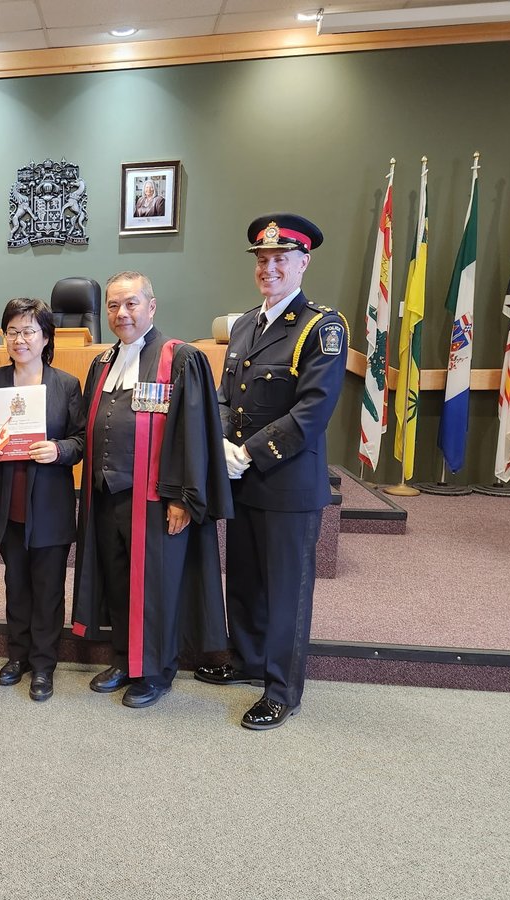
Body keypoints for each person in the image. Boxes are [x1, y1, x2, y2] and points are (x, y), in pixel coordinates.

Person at [195, 214, 348, 730]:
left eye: (281, 259)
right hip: (240, 479)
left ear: (303, 263)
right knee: (243, 579)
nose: (270, 268)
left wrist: (250, 452)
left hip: (285, 480)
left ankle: (282, 688)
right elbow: (223, 395)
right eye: (263, 260)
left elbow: (313, 409)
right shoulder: (243, 324)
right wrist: (220, 444)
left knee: (285, 589)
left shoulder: (322, 326)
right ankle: (247, 658)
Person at [71, 271, 232, 709]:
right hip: (108, 494)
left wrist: (182, 497)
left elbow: (191, 434)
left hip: (157, 499)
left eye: (131, 304)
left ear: (151, 306)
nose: (121, 313)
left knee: (157, 586)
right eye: (113, 305)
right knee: (120, 580)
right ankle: (125, 659)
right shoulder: (102, 363)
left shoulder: (179, 359)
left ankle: (156, 671)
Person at [0, 298, 85, 701]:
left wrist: (59, 450)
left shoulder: (66, 384)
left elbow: (81, 439)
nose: (20, 339)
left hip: (49, 506)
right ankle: (16, 656)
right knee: (16, 583)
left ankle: (43, 664)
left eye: (29, 331)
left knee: (49, 586)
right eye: (13, 331)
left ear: (46, 337)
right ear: (4, 336)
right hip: (7, 501)